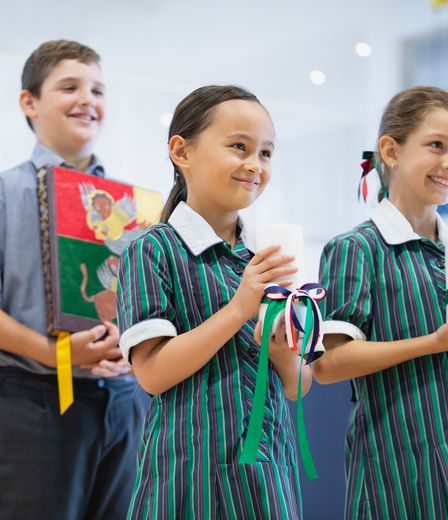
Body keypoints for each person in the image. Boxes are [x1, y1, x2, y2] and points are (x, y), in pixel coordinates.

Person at [0, 39, 144, 519]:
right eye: (69, 86)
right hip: (36, 403)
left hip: (123, 401)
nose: (87, 99)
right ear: (30, 102)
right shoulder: (1, 195)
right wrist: (55, 353)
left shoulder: (131, 209)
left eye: (98, 89)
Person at [313, 86, 448, 518]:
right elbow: (328, 365)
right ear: (391, 150)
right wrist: (434, 342)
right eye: (437, 145)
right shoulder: (357, 248)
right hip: (399, 469)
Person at [117, 85, 310, 518]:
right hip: (188, 481)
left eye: (265, 153)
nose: (254, 165)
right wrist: (239, 309)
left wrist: (282, 354)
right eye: (238, 146)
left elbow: (298, 385)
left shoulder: (264, 258)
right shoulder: (153, 249)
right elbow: (151, 373)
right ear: (181, 152)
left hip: (269, 476)